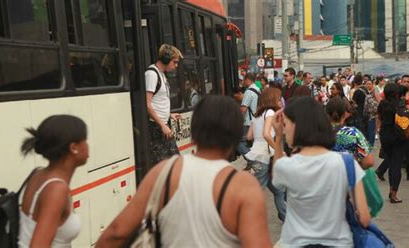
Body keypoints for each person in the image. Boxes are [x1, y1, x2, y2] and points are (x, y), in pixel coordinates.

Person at [97, 96, 272, 247]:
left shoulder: (163, 172)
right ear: (235, 135)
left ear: (194, 131)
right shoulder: (243, 186)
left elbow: (116, 233)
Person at [271, 97, 370, 247]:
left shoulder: (287, 166)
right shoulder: (347, 163)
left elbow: (276, 178)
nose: (284, 130)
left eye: (286, 125)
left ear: (298, 127)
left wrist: (278, 139)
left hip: (296, 242)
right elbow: (364, 218)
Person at [18, 115, 88, 247]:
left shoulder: (38, 174)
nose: (88, 145)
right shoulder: (56, 189)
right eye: (85, 140)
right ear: (74, 148)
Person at [245, 88, 286, 221]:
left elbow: (249, 136)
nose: (280, 101)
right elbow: (266, 134)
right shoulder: (269, 113)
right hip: (263, 158)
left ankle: (288, 218)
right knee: (254, 194)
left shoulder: (257, 115)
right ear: (272, 99)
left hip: (257, 156)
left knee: (278, 191)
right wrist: (278, 149)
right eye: (278, 98)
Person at [146, 44, 183, 167]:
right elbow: (147, 104)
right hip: (156, 127)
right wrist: (162, 125)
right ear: (166, 59)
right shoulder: (152, 74)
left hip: (162, 124)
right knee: (166, 167)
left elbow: (158, 101)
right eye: (175, 62)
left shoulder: (161, 74)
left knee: (173, 165)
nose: (176, 66)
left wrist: (169, 114)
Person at [375, 83, 407, 203]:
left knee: (390, 161)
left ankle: (391, 191)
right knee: (396, 166)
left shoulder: (382, 103)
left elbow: (379, 117)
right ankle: (394, 194)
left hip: (385, 135)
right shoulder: (399, 103)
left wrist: (378, 131)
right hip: (398, 136)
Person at [326, 97, 374, 169]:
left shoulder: (318, 132)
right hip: (346, 177)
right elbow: (369, 161)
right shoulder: (353, 134)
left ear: (326, 113)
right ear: (345, 114)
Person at [238, 73, 261, 156]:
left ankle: (251, 159)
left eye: (244, 80)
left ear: (248, 80)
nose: (243, 82)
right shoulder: (258, 89)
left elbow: (244, 109)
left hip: (248, 121)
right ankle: (253, 159)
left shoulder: (248, 92)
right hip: (256, 120)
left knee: (241, 142)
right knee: (252, 142)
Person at [364, 79, 379, 146]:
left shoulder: (374, 92)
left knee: (371, 129)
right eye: (367, 84)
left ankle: (371, 143)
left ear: (372, 85)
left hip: (373, 114)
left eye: (370, 84)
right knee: (370, 129)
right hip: (369, 114)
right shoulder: (366, 92)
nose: (368, 85)